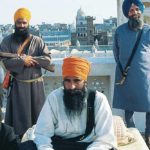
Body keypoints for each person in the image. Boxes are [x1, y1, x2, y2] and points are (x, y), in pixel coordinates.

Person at [34, 56, 117, 150]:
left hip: (89, 146)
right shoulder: (54, 98)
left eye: (76, 80)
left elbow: (105, 139)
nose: (72, 86)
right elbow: (42, 134)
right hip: (59, 145)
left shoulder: (98, 99)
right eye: (67, 81)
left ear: (85, 81)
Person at [0, 8, 51, 137]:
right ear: (14, 24)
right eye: (19, 23)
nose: (22, 26)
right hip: (17, 87)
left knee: (38, 120)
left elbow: (47, 60)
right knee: (18, 121)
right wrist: (23, 61)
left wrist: (30, 59)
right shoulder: (6, 41)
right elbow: (6, 62)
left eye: (24, 23)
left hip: (36, 88)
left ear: (28, 23)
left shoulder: (38, 41)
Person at [113, 0, 150, 148]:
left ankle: (148, 134)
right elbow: (116, 52)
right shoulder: (119, 31)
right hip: (125, 75)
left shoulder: (148, 30)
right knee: (128, 106)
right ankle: (131, 131)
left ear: (141, 11)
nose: (134, 12)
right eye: (131, 10)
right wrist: (124, 67)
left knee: (149, 105)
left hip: (145, 75)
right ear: (127, 14)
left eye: (136, 9)